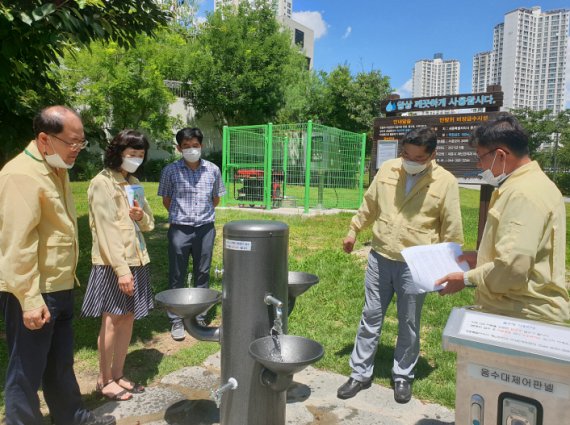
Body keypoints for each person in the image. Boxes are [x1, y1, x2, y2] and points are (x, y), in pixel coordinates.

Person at [0, 106, 116, 425]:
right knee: (26, 370)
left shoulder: (56, 168)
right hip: (34, 291)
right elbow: (15, 243)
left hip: (60, 284)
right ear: (44, 138)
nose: (77, 149)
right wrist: (29, 299)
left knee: (60, 363)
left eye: (81, 142)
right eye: (72, 142)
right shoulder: (20, 175)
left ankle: (72, 417)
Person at [337, 127, 464, 404]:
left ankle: (403, 375)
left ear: (432, 155)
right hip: (380, 256)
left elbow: (452, 228)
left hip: (414, 264)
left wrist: (449, 268)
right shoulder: (388, 170)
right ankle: (360, 373)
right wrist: (353, 230)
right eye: (405, 153)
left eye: (417, 157)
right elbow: (370, 203)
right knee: (370, 316)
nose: (409, 159)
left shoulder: (445, 182)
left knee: (408, 323)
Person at [436, 114, 570, 325]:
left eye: (480, 157)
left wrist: (464, 278)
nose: (479, 165)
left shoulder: (523, 193)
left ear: (500, 155)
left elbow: (512, 268)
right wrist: (481, 258)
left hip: (522, 315)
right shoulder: (531, 184)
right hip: (517, 311)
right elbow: (520, 251)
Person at [80, 130, 155, 401]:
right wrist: (121, 271)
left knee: (127, 317)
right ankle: (104, 379)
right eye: (131, 154)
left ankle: (118, 373)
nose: (135, 159)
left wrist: (141, 216)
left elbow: (148, 223)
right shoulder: (102, 183)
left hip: (138, 259)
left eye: (140, 155)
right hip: (114, 264)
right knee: (111, 320)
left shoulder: (133, 183)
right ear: (117, 153)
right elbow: (106, 230)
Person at [158, 127, 226, 341]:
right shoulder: (170, 170)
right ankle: (176, 318)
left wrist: (200, 216)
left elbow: (215, 199)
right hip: (179, 228)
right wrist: (182, 216)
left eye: (195, 146)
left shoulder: (213, 170)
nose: (191, 149)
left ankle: (200, 314)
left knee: (203, 271)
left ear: (201, 146)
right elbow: (167, 199)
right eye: (186, 146)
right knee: (177, 272)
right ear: (179, 148)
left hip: (205, 228)